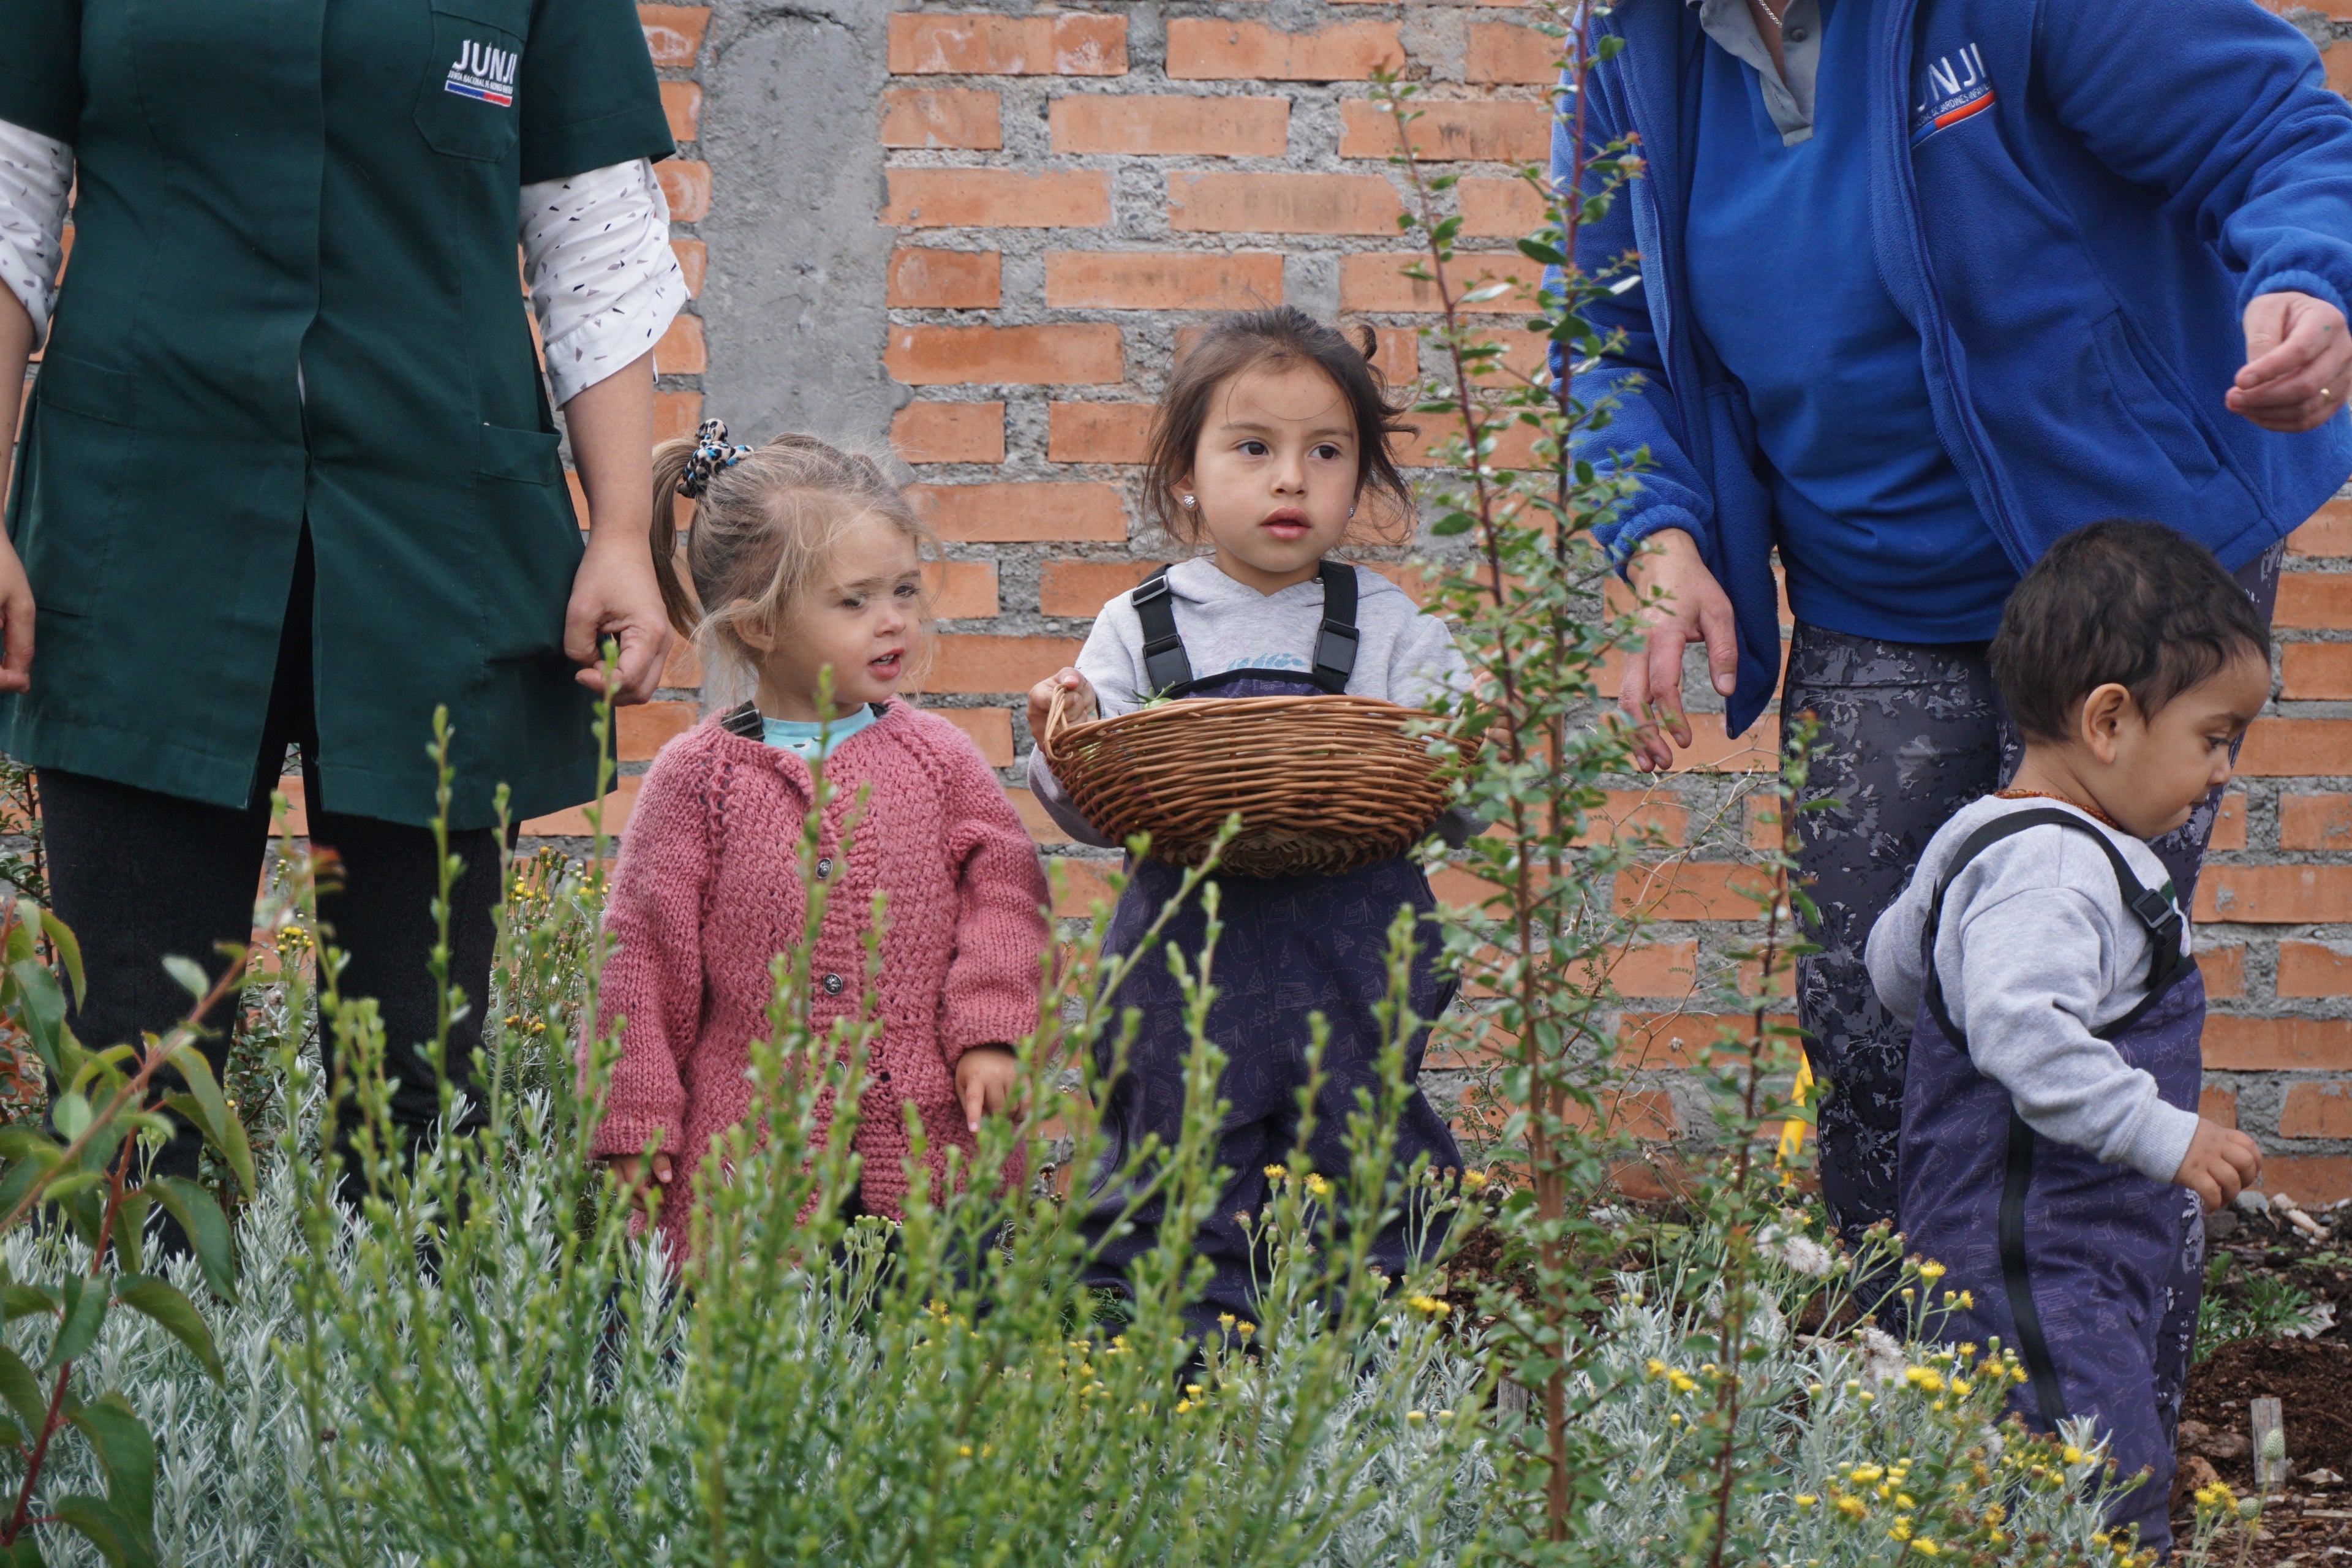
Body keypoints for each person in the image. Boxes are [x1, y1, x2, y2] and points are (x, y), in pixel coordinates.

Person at [1562, 0, 2352, 1243]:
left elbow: (2271, 126)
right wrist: (1659, 535)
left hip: (2120, 574)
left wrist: (2308, 276)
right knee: (1876, 1014)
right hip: (1873, 580)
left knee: (2074, 1005)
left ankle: (2092, 1415)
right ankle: (1913, 1399)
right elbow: (1606, 332)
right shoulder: (1631, 44)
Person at [0, 2, 684, 1182]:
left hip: (437, 535)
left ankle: (405, 1359)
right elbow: (8, 208)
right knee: (131, 1057)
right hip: (141, 530)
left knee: (419, 1068)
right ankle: (123, 1357)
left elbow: (596, 240)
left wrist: (622, 526)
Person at [1025, 307, 1471, 1335]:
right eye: (1254, 449)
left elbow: (1463, 803)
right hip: (1186, 952)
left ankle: (1362, 1367)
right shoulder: (1138, 627)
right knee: (1174, 1159)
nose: (1291, 480)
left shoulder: (1395, 626)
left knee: (1370, 1156)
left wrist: (1471, 737)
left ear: (1359, 479)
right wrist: (1058, 734)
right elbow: (1090, 808)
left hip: (1356, 949)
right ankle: (1174, 1365)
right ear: (1186, 473)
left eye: (1327, 453)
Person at [1874, 522, 2269, 1556]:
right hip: (2032, 1261)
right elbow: (2021, 1031)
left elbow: (1893, 968)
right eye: (2215, 735)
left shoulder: (1982, 836)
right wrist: (2163, 1134)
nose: (2223, 771)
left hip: (2051, 1259)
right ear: (2109, 720)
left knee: (2017, 1482)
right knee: (2095, 1483)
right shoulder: (2056, 869)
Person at [591, 427, 1050, 1256]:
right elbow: (640, 958)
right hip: (748, 1164)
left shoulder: (939, 759)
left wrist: (991, 1030)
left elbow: (1008, 895)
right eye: (855, 601)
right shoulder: (697, 781)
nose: (894, 622)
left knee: (927, 1350)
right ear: (762, 625)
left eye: (906, 592)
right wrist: (635, 1116)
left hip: (927, 1147)